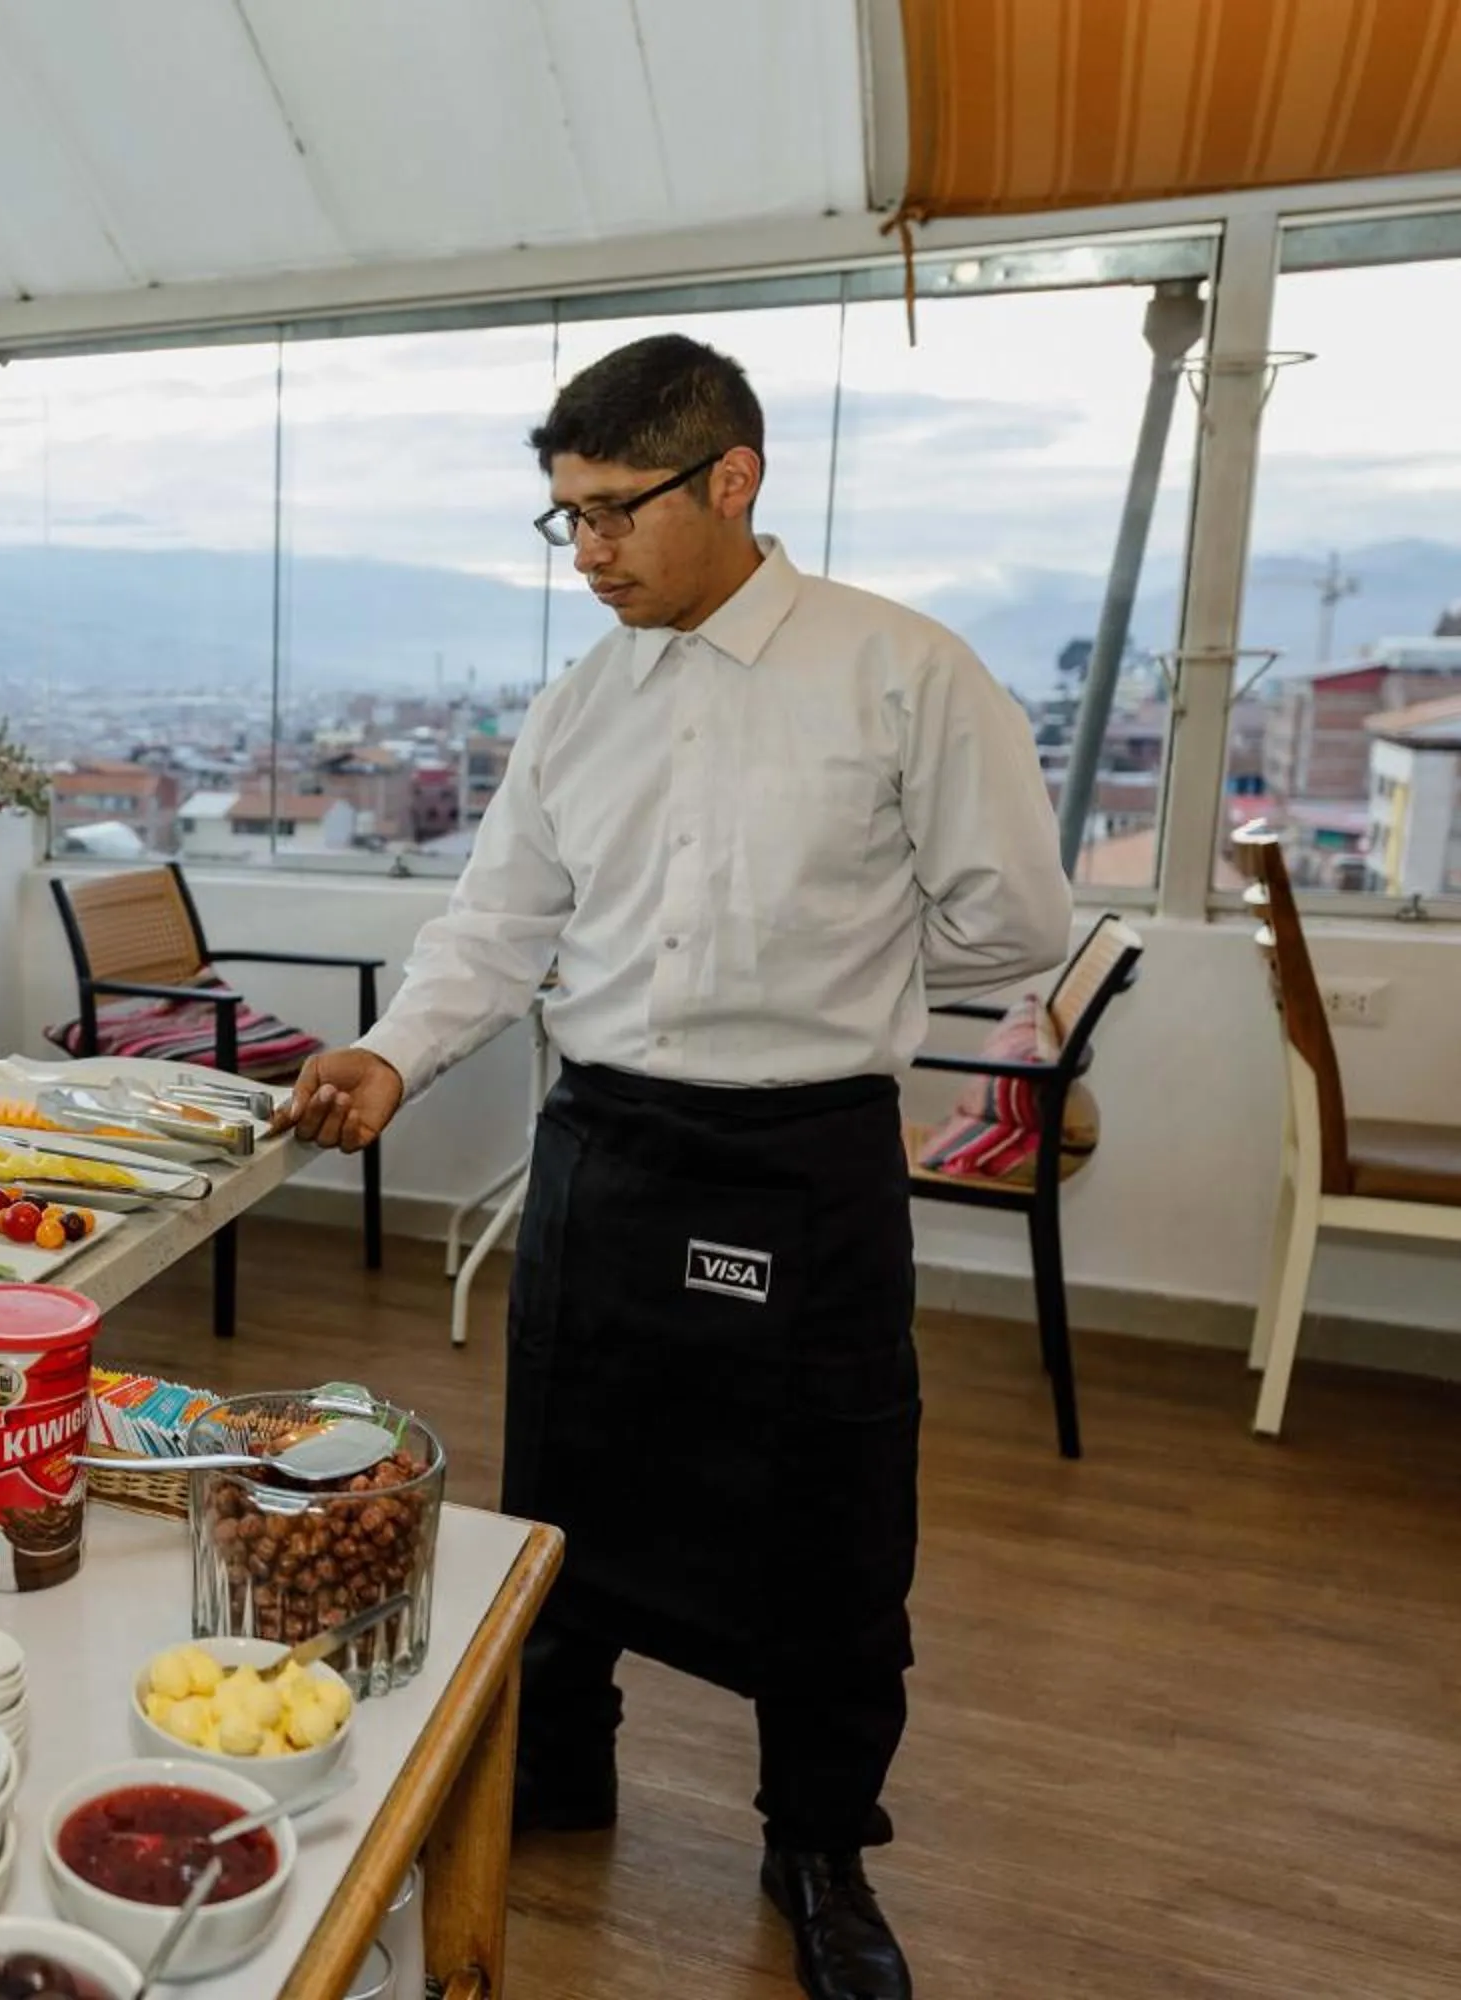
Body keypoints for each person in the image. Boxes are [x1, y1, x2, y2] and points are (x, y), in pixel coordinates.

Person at [274, 334, 1069, 2000]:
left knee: (833, 1519)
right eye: (563, 522)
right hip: (613, 1148)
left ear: (734, 480)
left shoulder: (903, 672)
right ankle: (557, 1768)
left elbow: (1013, 922)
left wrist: (847, 962)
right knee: (569, 1480)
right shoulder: (582, 707)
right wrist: (391, 1056)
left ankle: (821, 1842)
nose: (589, 557)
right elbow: (499, 926)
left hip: (805, 1158)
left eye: (616, 515)